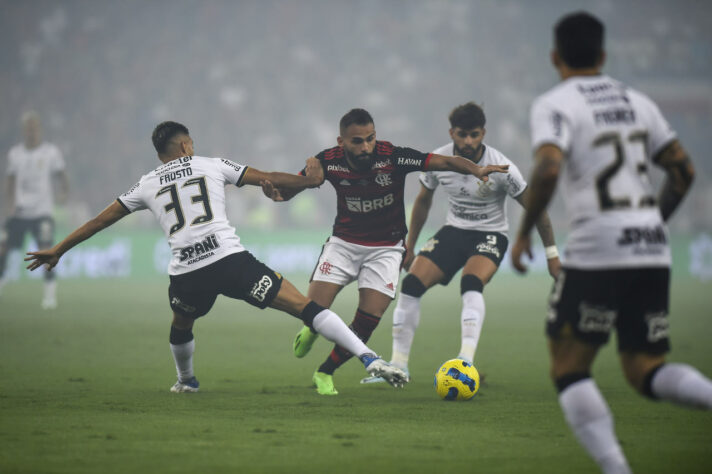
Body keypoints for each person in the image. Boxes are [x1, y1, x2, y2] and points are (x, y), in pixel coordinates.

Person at [25, 121, 409, 393]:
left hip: (187, 271)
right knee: (303, 307)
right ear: (186, 145)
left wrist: (59, 249)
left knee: (182, 325)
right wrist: (309, 181)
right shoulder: (211, 164)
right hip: (230, 262)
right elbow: (268, 177)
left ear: (161, 154)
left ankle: (186, 380)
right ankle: (369, 358)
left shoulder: (145, 184)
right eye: (190, 143)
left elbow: (99, 220)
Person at [511, 12, 712, 474]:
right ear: (603, 55)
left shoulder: (555, 102)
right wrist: (650, 224)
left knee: (568, 365)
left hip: (597, 248)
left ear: (554, 56)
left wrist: (524, 235)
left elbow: (548, 168)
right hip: (652, 250)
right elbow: (684, 172)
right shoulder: (639, 102)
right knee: (645, 368)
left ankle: (616, 468)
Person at [261, 108, 509, 395]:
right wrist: (280, 195)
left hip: (386, 248)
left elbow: (444, 161)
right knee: (311, 309)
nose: (366, 147)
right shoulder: (327, 160)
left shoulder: (393, 156)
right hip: (344, 244)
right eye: (357, 141)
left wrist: (476, 169)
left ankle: (325, 372)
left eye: (370, 139)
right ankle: (312, 327)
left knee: (367, 320)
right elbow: (297, 185)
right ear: (341, 142)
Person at [361, 102, 560, 385]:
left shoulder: (503, 167)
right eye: (462, 134)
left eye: (474, 135)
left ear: (483, 133)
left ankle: (465, 362)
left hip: (490, 234)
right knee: (411, 285)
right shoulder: (438, 160)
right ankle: (398, 367)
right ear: (452, 132)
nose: (468, 141)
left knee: (471, 282)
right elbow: (424, 199)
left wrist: (551, 254)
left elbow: (536, 209)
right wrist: (410, 244)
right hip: (453, 231)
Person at [0, 111, 69, 309]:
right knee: (3, 250)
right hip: (19, 212)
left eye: (34, 128)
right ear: (24, 131)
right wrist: (9, 206)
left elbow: (62, 175)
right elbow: (10, 182)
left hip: (42, 213)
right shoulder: (15, 154)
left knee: (48, 253)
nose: (31, 132)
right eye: (28, 128)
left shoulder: (50, 152)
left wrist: (63, 193)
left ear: (39, 129)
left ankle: (49, 296)